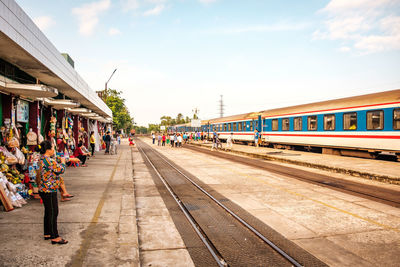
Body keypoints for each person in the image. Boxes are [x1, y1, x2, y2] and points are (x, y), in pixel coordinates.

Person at [38, 140, 68, 245]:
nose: (54, 150)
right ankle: (55, 236)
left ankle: (47, 233)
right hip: (49, 189)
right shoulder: (49, 161)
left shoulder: (41, 159)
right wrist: (63, 162)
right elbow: (60, 170)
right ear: (49, 150)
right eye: (53, 148)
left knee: (48, 212)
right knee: (53, 212)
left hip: (43, 189)